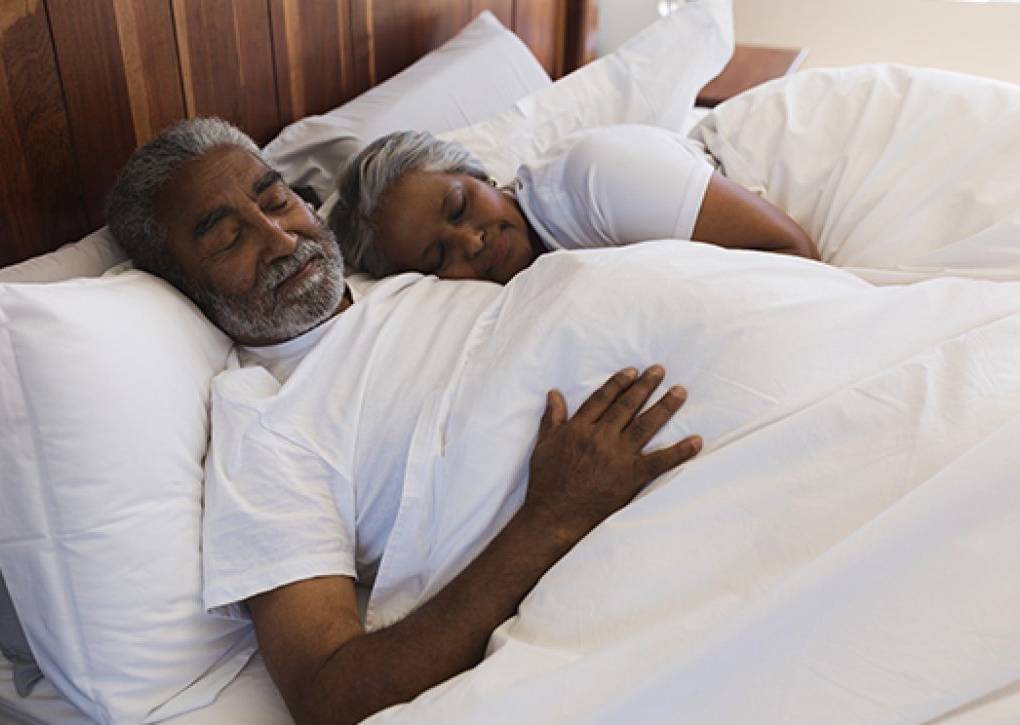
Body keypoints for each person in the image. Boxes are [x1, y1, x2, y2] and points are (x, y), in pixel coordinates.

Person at [105, 116, 702, 724]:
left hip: (704, 327)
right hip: (650, 502)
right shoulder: (264, 422)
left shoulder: (393, 271)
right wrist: (552, 517)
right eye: (229, 239)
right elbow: (327, 695)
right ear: (182, 285)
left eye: (277, 201)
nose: (281, 239)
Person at [329, 125, 819, 284]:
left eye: (459, 207)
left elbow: (794, 254)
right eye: (439, 257)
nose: (472, 242)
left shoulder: (596, 175)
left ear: (477, 174)